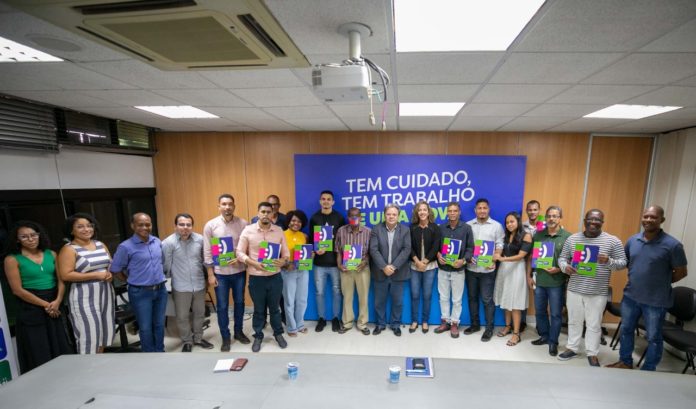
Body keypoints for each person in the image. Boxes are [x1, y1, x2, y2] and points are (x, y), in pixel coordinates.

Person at [607, 206, 688, 371]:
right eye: (646, 216)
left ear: (662, 220)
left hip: (656, 301)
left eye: (653, 217)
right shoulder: (633, 240)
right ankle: (625, 362)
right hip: (630, 297)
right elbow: (626, 263)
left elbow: (681, 272)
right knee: (626, 330)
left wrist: (660, 282)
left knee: (653, 337)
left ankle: (649, 369)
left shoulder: (673, 245)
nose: (649, 220)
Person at [557, 209, 627, 367]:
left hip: (597, 292)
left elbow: (623, 263)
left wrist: (608, 261)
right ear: (585, 221)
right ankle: (572, 348)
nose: (593, 222)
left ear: (602, 222)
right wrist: (565, 267)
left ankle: (592, 353)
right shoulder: (573, 239)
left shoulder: (612, 241)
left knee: (594, 324)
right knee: (574, 321)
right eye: (590, 219)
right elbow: (562, 258)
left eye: (597, 220)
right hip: (574, 289)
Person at [4, 221, 72, 372]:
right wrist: (46, 305)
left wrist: (58, 301)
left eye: (34, 235)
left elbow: (61, 280)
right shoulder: (12, 259)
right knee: (38, 349)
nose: (30, 239)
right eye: (24, 236)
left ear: (39, 235)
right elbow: (17, 290)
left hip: (55, 301)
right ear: (17, 240)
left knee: (60, 344)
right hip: (31, 306)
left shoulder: (51, 254)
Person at [237, 202, 290, 352]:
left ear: (273, 214)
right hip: (256, 278)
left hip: (275, 277)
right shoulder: (248, 230)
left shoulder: (278, 230)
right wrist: (253, 263)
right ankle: (258, 335)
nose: (266, 214)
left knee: (275, 309)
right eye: (263, 211)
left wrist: (283, 260)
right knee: (259, 310)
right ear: (258, 213)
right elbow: (239, 253)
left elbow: (286, 254)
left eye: (268, 212)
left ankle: (278, 334)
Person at [58, 213, 115, 354]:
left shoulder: (100, 244)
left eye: (89, 226)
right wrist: (96, 275)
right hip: (83, 297)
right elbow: (66, 275)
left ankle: (99, 363)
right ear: (71, 230)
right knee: (89, 335)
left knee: (103, 333)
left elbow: (110, 264)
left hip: (105, 294)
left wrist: (110, 274)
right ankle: (87, 366)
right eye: (80, 227)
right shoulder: (69, 249)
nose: (86, 229)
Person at [110, 213, 167, 353]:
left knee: (159, 324)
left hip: (160, 290)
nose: (145, 227)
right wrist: (130, 280)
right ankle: (149, 355)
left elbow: (162, 262)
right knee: (145, 327)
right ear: (133, 226)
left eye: (148, 224)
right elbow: (115, 269)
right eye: (140, 224)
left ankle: (160, 351)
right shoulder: (125, 247)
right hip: (140, 292)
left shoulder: (157, 241)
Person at [202, 193, 250, 351]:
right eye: (224, 204)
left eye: (230, 204)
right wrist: (210, 274)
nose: (227, 207)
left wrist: (241, 258)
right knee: (222, 306)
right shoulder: (210, 225)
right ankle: (225, 337)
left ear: (234, 206)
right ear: (219, 206)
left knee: (239, 303)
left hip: (239, 272)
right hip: (220, 274)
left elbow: (248, 247)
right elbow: (207, 252)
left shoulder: (243, 224)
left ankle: (238, 332)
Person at [162, 213, 214, 352]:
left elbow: (205, 260)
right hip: (180, 286)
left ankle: (198, 338)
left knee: (199, 313)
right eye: (181, 224)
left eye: (188, 225)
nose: (185, 227)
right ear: (175, 226)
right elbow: (166, 266)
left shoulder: (200, 240)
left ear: (192, 226)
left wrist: (207, 278)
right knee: (182, 316)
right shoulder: (168, 243)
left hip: (199, 284)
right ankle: (187, 341)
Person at [527, 206, 570, 356]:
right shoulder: (538, 235)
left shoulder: (568, 237)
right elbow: (532, 258)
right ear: (545, 218)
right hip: (539, 281)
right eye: (549, 216)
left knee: (556, 314)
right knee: (540, 311)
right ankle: (544, 336)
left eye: (555, 216)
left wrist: (559, 269)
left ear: (560, 218)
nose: (551, 218)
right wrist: (529, 276)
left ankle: (553, 342)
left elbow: (573, 261)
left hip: (557, 283)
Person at [465, 198, 505, 342]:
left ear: (488, 209)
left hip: (488, 270)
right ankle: (475, 325)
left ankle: (489, 328)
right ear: (475, 210)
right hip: (471, 268)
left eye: (484, 208)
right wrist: (468, 257)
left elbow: (500, 244)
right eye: (479, 208)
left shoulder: (497, 226)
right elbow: (465, 245)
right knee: (472, 298)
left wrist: (495, 258)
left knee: (487, 300)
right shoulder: (468, 225)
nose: (482, 211)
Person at [369, 204, 411, 336]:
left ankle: (395, 324)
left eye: (394, 214)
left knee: (397, 302)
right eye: (388, 214)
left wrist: (393, 266)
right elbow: (373, 250)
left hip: (398, 272)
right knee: (379, 302)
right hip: (380, 272)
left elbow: (406, 250)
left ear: (398, 216)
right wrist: (384, 267)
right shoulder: (376, 229)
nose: (391, 216)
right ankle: (380, 324)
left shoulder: (405, 230)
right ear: (384, 215)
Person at [434, 202, 474, 337]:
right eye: (450, 211)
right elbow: (436, 247)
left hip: (458, 270)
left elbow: (470, 248)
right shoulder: (441, 228)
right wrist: (438, 255)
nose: (452, 213)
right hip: (443, 268)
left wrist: (463, 260)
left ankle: (454, 323)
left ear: (459, 212)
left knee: (457, 299)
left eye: (455, 211)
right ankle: (445, 322)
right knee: (443, 297)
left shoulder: (467, 228)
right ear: (447, 212)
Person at [493, 211, 532, 346]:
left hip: (517, 270)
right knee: (506, 300)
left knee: (515, 303)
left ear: (518, 222)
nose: (509, 224)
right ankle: (507, 327)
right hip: (504, 270)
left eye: (512, 222)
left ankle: (516, 334)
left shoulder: (526, 235)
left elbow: (521, 255)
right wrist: (495, 258)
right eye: (507, 222)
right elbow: (499, 250)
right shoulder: (506, 235)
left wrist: (502, 259)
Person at [308, 190, 345, 332]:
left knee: (337, 292)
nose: (326, 201)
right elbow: (311, 239)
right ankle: (321, 318)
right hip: (319, 263)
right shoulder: (314, 218)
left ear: (333, 202)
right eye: (323, 199)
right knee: (319, 292)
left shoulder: (339, 218)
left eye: (329, 199)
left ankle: (336, 318)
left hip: (335, 263)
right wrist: (315, 249)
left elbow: (343, 239)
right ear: (320, 201)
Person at [336, 207, 372, 335]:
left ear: (361, 217)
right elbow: (338, 251)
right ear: (348, 217)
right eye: (351, 216)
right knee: (347, 297)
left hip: (362, 269)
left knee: (363, 297)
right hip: (346, 269)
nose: (354, 218)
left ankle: (362, 323)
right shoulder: (341, 231)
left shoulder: (368, 231)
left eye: (356, 216)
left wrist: (365, 262)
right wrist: (339, 264)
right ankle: (347, 323)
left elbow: (371, 252)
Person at [409, 201, 442, 334]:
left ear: (428, 212)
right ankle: (414, 321)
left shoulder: (435, 228)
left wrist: (425, 261)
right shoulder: (412, 228)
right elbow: (409, 246)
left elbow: (436, 246)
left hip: (430, 266)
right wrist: (417, 262)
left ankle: (425, 321)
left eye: (424, 210)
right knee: (415, 294)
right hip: (414, 266)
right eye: (420, 210)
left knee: (427, 295)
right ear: (417, 213)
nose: (422, 212)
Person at [282, 209, 310, 336]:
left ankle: (300, 324)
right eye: (293, 220)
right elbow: (275, 256)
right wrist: (285, 264)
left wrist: (311, 255)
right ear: (288, 221)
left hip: (303, 271)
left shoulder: (304, 236)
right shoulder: (281, 235)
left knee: (302, 299)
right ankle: (291, 327)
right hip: (288, 272)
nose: (296, 223)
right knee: (289, 301)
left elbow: (305, 253)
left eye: (299, 221)